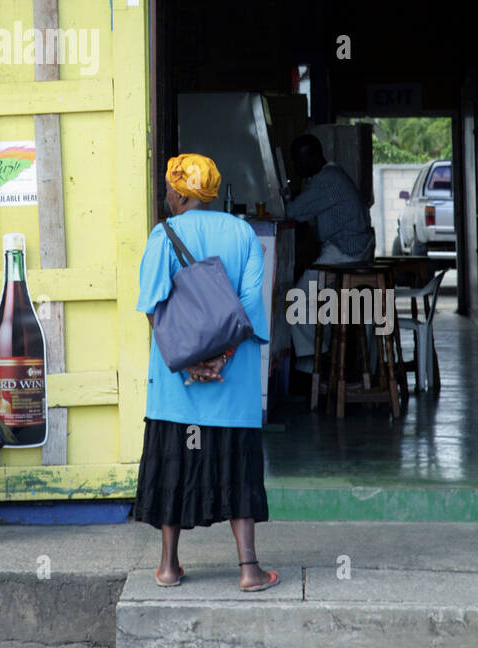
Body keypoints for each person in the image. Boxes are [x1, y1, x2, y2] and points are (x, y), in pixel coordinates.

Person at [134, 153, 278, 592]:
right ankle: (249, 569)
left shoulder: (163, 235)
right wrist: (222, 357)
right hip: (232, 387)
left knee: (174, 467)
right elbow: (251, 306)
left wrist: (189, 360)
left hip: (178, 388)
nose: (166, 195)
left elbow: (153, 309)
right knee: (237, 467)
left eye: (168, 188)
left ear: (179, 193)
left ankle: (168, 567)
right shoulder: (243, 233)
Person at [285, 133, 375, 371]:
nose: (297, 166)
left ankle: (311, 362)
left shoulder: (327, 180)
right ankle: (321, 354)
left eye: (299, 160)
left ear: (314, 156)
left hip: (345, 252)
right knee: (318, 301)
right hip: (353, 250)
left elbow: (293, 211)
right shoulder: (332, 175)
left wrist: (284, 198)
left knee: (298, 298)